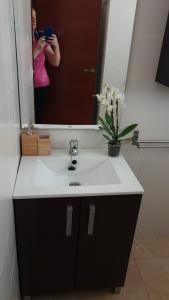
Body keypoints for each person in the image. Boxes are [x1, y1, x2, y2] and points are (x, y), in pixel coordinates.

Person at [32, 7, 61, 123]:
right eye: (30, 17)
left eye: (35, 17)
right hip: (25, 87)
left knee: (37, 119)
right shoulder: (19, 40)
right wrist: (37, 49)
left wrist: (56, 46)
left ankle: (35, 140)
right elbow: (21, 66)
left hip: (43, 85)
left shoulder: (40, 37)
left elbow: (55, 62)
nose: (34, 20)